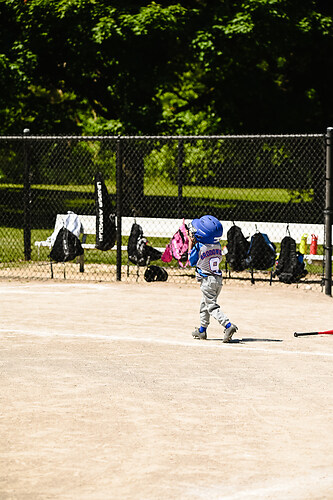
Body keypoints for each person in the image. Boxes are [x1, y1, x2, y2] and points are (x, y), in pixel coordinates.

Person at [187, 215, 238, 343]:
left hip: (207, 281)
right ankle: (202, 330)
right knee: (204, 304)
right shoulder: (217, 245)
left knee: (211, 307)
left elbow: (191, 261)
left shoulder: (199, 247)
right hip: (217, 280)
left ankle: (227, 325)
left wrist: (190, 244)